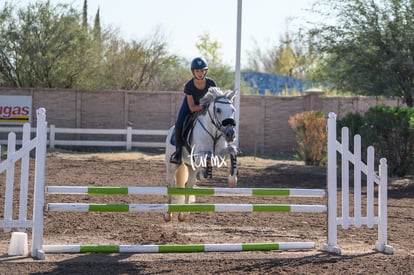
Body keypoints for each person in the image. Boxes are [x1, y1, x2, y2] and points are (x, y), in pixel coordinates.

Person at [170, 57, 217, 164]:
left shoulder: (211, 83)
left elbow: (215, 99)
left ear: (205, 71)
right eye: (197, 71)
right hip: (190, 106)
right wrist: (204, 106)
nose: (200, 73)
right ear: (193, 72)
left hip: (205, 107)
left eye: (202, 71)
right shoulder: (189, 85)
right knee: (179, 123)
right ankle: (177, 153)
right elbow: (192, 107)